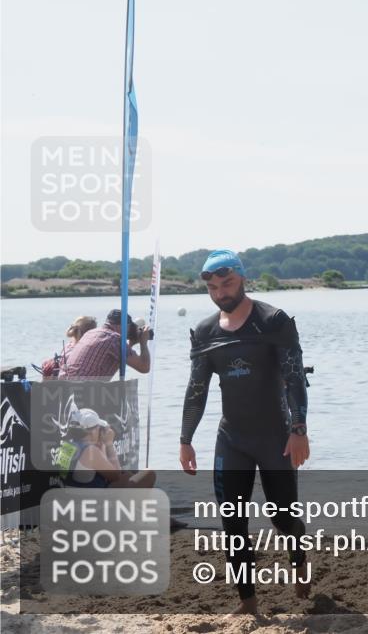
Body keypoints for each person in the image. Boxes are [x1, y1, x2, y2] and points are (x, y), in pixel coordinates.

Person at [179, 249, 311, 613]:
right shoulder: (205, 332)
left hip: (276, 437)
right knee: (233, 522)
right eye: (214, 287)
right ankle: (248, 602)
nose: (221, 292)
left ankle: (299, 559)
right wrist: (185, 440)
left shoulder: (273, 320)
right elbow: (196, 389)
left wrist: (298, 429)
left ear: (242, 279)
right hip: (232, 439)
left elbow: (294, 378)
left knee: (283, 516)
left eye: (228, 283)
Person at [53, 408, 155, 489]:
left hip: (71, 496)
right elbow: (115, 477)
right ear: (92, 431)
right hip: (88, 505)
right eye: (98, 427)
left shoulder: (66, 446)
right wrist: (109, 444)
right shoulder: (91, 452)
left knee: (127, 475)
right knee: (149, 474)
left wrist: (101, 445)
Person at [58, 310, 151, 380]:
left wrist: (130, 344)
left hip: (69, 390)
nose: (129, 331)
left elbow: (114, 355)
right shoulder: (115, 339)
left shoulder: (91, 333)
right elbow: (144, 367)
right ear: (120, 326)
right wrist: (143, 343)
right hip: (86, 394)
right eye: (129, 327)